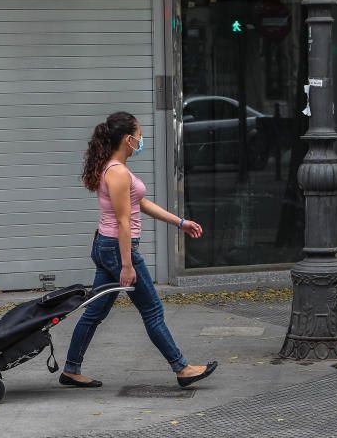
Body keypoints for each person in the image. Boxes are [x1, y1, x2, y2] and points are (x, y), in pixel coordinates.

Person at [60, 111, 218, 389]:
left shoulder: (113, 168)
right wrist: (127, 264)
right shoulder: (118, 172)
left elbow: (139, 205)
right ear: (128, 139)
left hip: (106, 245)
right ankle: (182, 368)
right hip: (116, 248)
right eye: (139, 134)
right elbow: (123, 221)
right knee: (153, 310)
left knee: (95, 312)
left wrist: (179, 222)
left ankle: (71, 369)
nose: (142, 139)